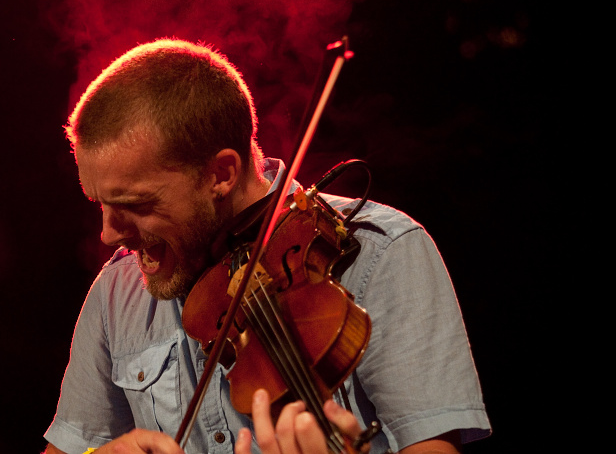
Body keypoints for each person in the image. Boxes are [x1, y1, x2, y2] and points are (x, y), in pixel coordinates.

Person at [43, 39, 491, 454]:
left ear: (221, 174)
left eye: (136, 204)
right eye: (98, 202)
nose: (108, 233)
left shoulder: (380, 253)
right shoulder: (117, 290)